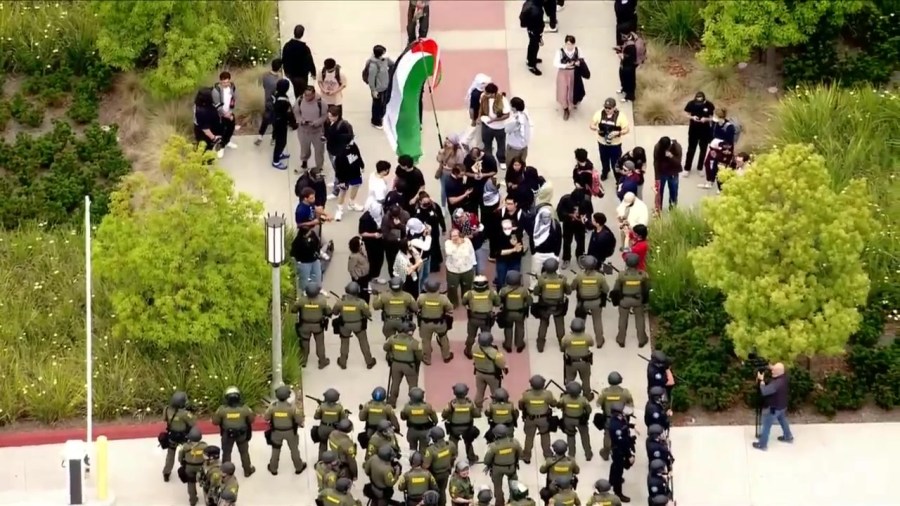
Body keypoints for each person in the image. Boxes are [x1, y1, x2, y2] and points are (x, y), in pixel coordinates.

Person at [212, 387, 256, 476]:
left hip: (227, 435)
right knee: (244, 453)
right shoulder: (245, 409)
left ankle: (225, 472)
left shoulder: (222, 410)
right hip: (242, 435)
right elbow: (251, 420)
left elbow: (215, 422)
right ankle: (247, 470)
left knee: (227, 453)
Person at [332, 281, 376, 369]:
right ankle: (369, 361)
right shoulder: (361, 302)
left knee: (344, 343)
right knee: (364, 342)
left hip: (345, 326)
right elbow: (368, 314)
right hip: (358, 326)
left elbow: (335, 312)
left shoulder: (341, 302)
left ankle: (343, 362)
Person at [264, 385, 307, 476]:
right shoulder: (292, 407)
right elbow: (299, 420)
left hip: (276, 432)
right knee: (294, 450)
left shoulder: (273, 407)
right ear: (288, 396)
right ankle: (298, 467)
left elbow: (266, 417)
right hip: (290, 432)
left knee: (275, 450)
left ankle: (273, 468)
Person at [610, 253, 650, 347]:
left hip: (624, 300)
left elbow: (616, 289)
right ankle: (642, 339)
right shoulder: (643, 275)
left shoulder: (622, 275)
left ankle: (621, 339)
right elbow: (647, 288)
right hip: (638, 300)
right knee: (640, 320)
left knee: (622, 319)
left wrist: (616, 299)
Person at [533, 258, 571, 352]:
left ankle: (540, 345)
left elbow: (536, 292)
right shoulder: (562, 279)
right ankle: (562, 345)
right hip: (559, 306)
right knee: (560, 326)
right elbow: (568, 291)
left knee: (543, 325)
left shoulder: (542, 279)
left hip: (544, 306)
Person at [753, 362, 794, 450]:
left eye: (774, 371)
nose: (772, 372)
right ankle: (788, 436)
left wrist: (762, 381)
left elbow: (765, 391)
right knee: (783, 420)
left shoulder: (776, 384)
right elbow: (777, 370)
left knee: (766, 425)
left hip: (774, 408)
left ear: (779, 372)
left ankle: (762, 445)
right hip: (782, 406)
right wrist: (770, 366)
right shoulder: (784, 377)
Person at [291, 282, 331, 369]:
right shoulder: (322, 301)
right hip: (318, 326)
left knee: (304, 344)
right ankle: (322, 361)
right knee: (320, 344)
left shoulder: (301, 301)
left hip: (304, 326)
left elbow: (293, 310)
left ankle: (303, 361)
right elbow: (328, 312)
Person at [596, 371, 634, 461]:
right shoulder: (625, 392)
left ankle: (606, 453)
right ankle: (625, 452)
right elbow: (631, 405)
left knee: (607, 435)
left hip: (609, 419)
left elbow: (598, 404)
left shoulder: (605, 392)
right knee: (624, 434)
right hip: (622, 419)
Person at [384, 321, 423, 407]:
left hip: (395, 364)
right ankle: (414, 401)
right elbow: (419, 356)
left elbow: (385, 348)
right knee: (413, 384)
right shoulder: (414, 342)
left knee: (395, 383)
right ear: (410, 332)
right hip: (409, 366)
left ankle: (392, 401)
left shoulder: (393, 339)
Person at [518, 375, 555, 463]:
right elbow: (553, 404)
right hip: (544, 419)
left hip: (530, 419)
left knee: (529, 437)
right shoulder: (547, 394)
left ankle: (527, 456)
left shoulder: (526, 395)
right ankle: (547, 455)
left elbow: (521, 406)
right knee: (545, 437)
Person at [416, 279, 455, 365]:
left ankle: (427, 359)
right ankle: (446, 356)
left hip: (425, 324)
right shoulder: (443, 298)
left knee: (426, 341)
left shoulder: (422, 297)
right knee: (443, 338)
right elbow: (451, 310)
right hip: (440, 324)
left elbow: (417, 307)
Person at [590, 97, 630, 180]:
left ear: (614, 108)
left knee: (615, 163)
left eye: (609, 108)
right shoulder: (599, 114)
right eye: (605, 107)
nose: (607, 109)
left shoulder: (621, 117)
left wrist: (618, 132)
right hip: (602, 143)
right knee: (603, 159)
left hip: (615, 145)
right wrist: (597, 128)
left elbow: (626, 129)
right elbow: (591, 125)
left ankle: (618, 179)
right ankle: (605, 171)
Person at [483, 424, 523, 506]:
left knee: (498, 487)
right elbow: (520, 453)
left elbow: (487, 460)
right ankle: (513, 501)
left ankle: (500, 503)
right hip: (511, 467)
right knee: (514, 484)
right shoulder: (514, 442)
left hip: (497, 469)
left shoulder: (494, 446)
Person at [462, 275, 501, 358]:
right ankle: (486, 352)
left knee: (471, 336)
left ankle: (468, 351)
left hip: (473, 319)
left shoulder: (469, 293)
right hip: (486, 320)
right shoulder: (491, 293)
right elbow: (497, 303)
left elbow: (464, 302)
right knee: (486, 336)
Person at [441, 383, 481, 463]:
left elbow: (444, 415)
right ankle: (471, 458)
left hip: (454, 428)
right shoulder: (470, 404)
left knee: (452, 442)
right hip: (467, 428)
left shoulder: (452, 404)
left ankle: (451, 458)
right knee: (468, 442)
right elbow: (477, 415)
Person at [161, 391, 196, 482]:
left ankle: (166, 473)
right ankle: (188, 471)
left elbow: (164, 419)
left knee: (170, 455)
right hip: (184, 437)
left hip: (172, 435)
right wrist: (191, 412)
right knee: (187, 454)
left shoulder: (167, 409)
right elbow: (193, 423)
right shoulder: (185, 413)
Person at [527, 193, 563, 282]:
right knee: (535, 272)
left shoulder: (556, 225)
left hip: (551, 253)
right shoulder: (534, 225)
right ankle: (533, 285)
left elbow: (559, 240)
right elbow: (531, 238)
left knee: (555, 272)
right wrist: (533, 252)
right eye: (544, 217)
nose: (546, 218)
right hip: (538, 253)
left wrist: (556, 254)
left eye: (548, 217)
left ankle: (555, 285)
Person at [557, 187, 592, 270]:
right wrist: (569, 215)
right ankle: (566, 258)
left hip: (580, 225)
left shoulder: (586, 200)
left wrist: (584, 218)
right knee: (567, 241)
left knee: (580, 241)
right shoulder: (565, 199)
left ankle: (580, 256)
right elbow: (559, 211)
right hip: (568, 224)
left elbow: (589, 212)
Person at [556, 381, 593, 460]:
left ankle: (571, 454)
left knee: (570, 437)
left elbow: (558, 406)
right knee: (585, 436)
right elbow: (589, 410)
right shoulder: (583, 399)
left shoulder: (564, 398)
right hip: (580, 420)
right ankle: (588, 454)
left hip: (568, 420)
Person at [478, 83, 511, 168]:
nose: (485, 94)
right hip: (486, 125)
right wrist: (479, 118)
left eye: (487, 93)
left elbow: (507, 115)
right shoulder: (483, 96)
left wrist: (494, 120)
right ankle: (489, 161)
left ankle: (501, 160)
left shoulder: (503, 100)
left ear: (493, 93)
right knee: (487, 144)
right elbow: (481, 107)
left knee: (501, 145)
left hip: (499, 128)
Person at [561, 317, 596, 396]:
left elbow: (562, 347)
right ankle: (587, 394)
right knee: (586, 379)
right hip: (584, 362)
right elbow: (591, 344)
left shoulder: (567, 338)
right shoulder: (587, 337)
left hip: (570, 362)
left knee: (570, 379)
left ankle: (570, 395)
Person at [607, 402, 635, 502]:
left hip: (619, 448)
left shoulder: (619, 419)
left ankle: (611, 481)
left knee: (615, 465)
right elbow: (621, 442)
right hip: (619, 450)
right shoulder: (615, 426)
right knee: (619, 470)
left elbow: (624, 425)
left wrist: (630, 426)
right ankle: (618, 493)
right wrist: (629, 455)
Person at [472, 332, 507, 409]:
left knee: (479, 392)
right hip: (492, 376)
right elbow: (501, 364)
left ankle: (478, 406)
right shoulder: (494, 352)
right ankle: (494, 407)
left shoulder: (474, 348)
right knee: (495, 393)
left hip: (479, 373)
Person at [498, 271, 531, 353]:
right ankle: (519, 345)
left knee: (508, 328)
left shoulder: (503, 290)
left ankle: (507, 345)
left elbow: (498, 302)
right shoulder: (524, 291)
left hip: (508, 313)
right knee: (520, 328)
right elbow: (530, 302)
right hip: (520, 313)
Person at [324, 105, 354, 194]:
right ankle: (337, 183)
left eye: (332, 116)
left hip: (339, 152)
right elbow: (327, 133)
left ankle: (336, 190)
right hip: (331, 149)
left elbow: (349, 138)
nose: (330, 118)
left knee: (339, 171)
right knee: (336, 169)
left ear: (337, 115)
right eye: (329, 116)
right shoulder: (328, 122)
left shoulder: (343, 125)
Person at [333, 138, 365, 222]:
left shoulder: (353, 145)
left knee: (356, 186)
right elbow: (338, 169)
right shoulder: (339, 153)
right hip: (344, 176)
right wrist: (341, 181)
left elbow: (358, 154)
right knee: (342, 192)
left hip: (355, 172)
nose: (353, 141)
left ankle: (351, 204)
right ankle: (339, 210)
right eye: (351, 140)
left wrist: (362, 165)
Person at [296, 85, 327, 172]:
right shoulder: (300, 100)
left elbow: (324, 116)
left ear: (314, 94)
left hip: (317, 132)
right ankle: (304, 164)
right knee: (304, 149)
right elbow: (296, 112)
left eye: (309, 95)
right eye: (305, 94)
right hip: (303, 131)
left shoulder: (321, 103)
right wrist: (300, 120)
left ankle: (319, 167)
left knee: (319, 151)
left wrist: (316, 122)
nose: (306, 97)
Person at [683, 91, 715, 174]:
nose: (698, 101)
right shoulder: (691, 103)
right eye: (697, 99)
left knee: (703, 149)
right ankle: (687, 168)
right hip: (693, 129)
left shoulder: (709, 105)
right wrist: (692, 117)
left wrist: (706, 119)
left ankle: (700, 168)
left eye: (700, 99)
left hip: (705, 130)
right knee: (691, 149)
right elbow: (685, 114)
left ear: (703, 99)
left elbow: (712, 118)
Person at [414, 192, 446, 273]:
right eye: (425, 203)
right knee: (428, 248)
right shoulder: (417, 209)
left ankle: (436, 263)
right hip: (424, 232)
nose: (427, 204)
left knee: (435, 246)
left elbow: (440, 217)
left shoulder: (434, 206)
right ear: (420, 201)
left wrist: (443, 228)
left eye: (428, 202)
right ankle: (430, 264)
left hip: (434, 231)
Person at [423, 426, 457, 504]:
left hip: (434, 475)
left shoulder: (430, 450)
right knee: (442, 491)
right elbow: (454, 456)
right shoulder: (450, 444)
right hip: (446, 473)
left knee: (433, 492)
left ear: (434, 438)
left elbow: (426, 466)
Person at [269, 78, 298, 170]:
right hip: (281, 123)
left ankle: (280, 154)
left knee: (280, 140)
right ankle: (276, 161)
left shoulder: (275, 94)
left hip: (275, 120)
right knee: (281, 142)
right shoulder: (284, 101)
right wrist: (294, 124)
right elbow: (289, 114)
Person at [444, 228, 476, 307]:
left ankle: (466, 301)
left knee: (467, 286)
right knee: (452, 288)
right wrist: (457, 245)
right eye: (453, 236)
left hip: (467, 269)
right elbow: (448, 252)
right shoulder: (448, 243)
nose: (455, 237)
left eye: (456, 235)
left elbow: (471, 252)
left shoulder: (467, 241)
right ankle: (453, 303)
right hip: (453, 270)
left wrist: (474, 263)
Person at [312, 389, 348, 459]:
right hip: (334, 429)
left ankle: (321, 461)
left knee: (322, 445)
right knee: (335, 446)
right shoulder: (339, 407)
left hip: (323, 429)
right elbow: (343, 419)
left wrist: (319, 407)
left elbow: (316, 417)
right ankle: (336, 461)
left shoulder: (322, 406)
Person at [282, 24, 316, 98]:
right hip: (302, 75)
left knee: (296, 92)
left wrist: (286, 71)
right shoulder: (305, 48)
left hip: (291, 74)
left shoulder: (287, 46)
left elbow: (284, 59)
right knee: (302, 94)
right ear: (302, 34)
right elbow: (309, 61)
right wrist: (313, 72)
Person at [554, 35, 583, 121]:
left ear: (574, 44)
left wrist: (579, 63)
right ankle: (565, 109)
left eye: (571, 44)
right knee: (563, 91)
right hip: (563, 72)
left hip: (574, 73)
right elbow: (555, 63)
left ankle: (572, 103)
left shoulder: (578, 50)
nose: (569, 46)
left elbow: (582, 59)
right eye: (567, 44)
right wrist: (565, 65)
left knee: (572, 91)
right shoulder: (560, 51)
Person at [255, 58, 283, 146]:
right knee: (276, 121)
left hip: (267, 101)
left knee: (266, 119)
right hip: (275, 103)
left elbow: (264, 86)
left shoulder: (265, 76)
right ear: (279, 68)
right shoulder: (278, 80)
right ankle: (273, 139)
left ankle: (260, 137)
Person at [178, 427, 208, 506]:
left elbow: (180, 457)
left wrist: (182, 463)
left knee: (191, 483)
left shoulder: (185, 447)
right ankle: (208, 499)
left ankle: (193, 500)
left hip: (189, 467)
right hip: (201, 467)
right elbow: (207, 457)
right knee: (205, 483)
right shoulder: (204, 446)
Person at [366, 45, 393, 129]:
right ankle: (375, 121)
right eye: (384, 53)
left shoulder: (385, 60)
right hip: (378, 88)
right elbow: (371, 79)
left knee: (383, 103)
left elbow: (392, 64)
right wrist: (373, 90)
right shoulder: (373, 66)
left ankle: (382, 116)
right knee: (377, 105)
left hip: (385, 86)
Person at [653, 136, 683, 212]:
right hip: (662, 173)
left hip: (673, 174)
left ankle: (673, 209)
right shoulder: (657, 147)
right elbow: (656, 162)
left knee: (673, 193)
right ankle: (658, 209)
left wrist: (671, 156)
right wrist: (657, 177)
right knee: (659, 193)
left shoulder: (677, 147)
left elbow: (678, 163)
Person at [436, 134, 467, 208]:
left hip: (455, 174)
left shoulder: (459, 153)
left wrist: (450, 168)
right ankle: (443, 206)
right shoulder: (444, 150)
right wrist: (440, 153)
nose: (447, 143)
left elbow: (460, 166)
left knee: (456, 189)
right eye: (446, 142)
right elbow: (439, 160)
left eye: (449, 142)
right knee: (443, 191)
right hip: (444, 174)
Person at [211, 71, 238, 154]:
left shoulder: (232, 87)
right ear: (220, 81)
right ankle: (221, 147)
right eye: (224, 82)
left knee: (231, 128)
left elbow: (233, 100)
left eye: (227, 82)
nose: (226, 84)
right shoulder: (216, 91)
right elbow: (217, 106)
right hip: (220, 115)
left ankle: (227, 142)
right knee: (222, 131)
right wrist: (226, 115)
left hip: (229, 112)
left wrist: (230, 112)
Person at [291, 225, 323, 294]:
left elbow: (317, 244)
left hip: (314, 260)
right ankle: (304, 292)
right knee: (304, 278)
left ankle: (318, 290)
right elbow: (294, 252)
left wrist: (317, 252)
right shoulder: (298, 241)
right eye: (309, 231)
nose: (311, 232)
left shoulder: (312, 235)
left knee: (317, 276)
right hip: (304, 262)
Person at [359, 200, 385, 283]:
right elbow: (362, 233)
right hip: (370, 243)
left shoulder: (381, 213)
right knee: (372, 260)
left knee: (380, 259)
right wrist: (374, 235)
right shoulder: (365, 218)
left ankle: (376, 276)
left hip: (380, 241)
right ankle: (370, 277)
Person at [495, 219, 525, 288]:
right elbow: (499, 252)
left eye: (509, 228)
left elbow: (520, 250)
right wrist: (513, 249)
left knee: (515, 279)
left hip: (514, 260)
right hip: (502, 260)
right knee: (501, 280)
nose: (507, 230)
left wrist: (515, 244)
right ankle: (501, 295)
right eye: (505, 228)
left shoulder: (516, 234)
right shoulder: (497, 235)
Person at [406, 218, 432, 292]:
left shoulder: (421, 228)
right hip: (419, 261)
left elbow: (428, 228)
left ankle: (424, 288)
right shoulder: (413, 239)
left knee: (426, 275)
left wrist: (428, 229)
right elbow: (426, 247)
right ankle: (419, 292)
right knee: (420, 278)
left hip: (427, 257)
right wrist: (428, 235)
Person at [193, 88, 222, 154]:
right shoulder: (202, 112)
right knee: (205, 149)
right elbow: (206, 130)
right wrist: (214, 138)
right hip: (204, 134)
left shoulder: (198, 103)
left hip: (201, 127)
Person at [382, 204, 411, 270]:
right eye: (393, 217)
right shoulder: (386, 218)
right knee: (392, 261)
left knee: (403, 259)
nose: (395, 218)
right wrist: (397, 239)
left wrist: (399, 225)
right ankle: (393, 275)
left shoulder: (406, 214)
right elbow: (385, 234)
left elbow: (408, 229)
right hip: (391, 244)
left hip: (403, 241)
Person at [520, 0, 545, 76]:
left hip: (532, 29)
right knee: (534, 46)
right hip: (534, 30)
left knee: (532, 45)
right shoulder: (536, 10)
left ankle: (531, 59)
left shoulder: (529, 3)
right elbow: (538, 23)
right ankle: (531, 65)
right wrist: (539, 36)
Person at [506, 97, 532, 162]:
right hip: (524, 146)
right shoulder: (525, 115)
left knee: (511, 165)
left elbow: (507, 129)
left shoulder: (515, 119)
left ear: (514, 107)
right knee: (522, 164)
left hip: (514, 148)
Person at [616, 32, 638, 103]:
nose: (622, 37)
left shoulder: (631, 46)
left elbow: (631, 57)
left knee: (629, 81)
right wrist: (619, 49)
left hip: (629, 67)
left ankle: (629, 97)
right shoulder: (627, 44)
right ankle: (624, 89)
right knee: (622, 77)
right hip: (624, 65)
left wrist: (623, 56)